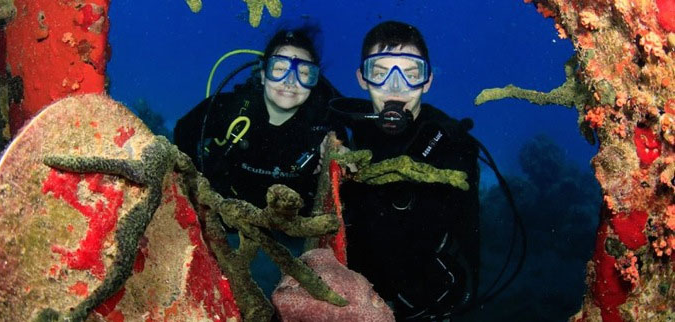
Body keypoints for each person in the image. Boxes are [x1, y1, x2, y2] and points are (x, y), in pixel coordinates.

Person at [173, 28, 344, 294]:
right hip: (227, 219)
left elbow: (351, 160)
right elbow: (184, 132)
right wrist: (193, 188)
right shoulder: (231, 108)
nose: (290, 81)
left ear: (315, 81)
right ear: (263, 73)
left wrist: (334, 154)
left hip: (292, 234)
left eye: (304, 73)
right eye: (280, 68)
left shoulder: (324, 126)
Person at [334, 21, 480, 321]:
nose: (396, 86)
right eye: (380, 72)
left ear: (427, 81)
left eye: (411, 74)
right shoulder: (341, 127)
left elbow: (469, 244)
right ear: (363, 79)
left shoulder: (453, 145)